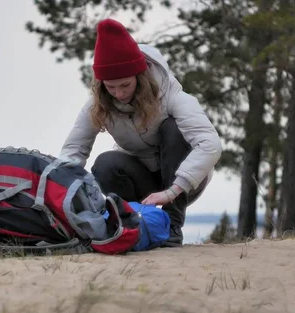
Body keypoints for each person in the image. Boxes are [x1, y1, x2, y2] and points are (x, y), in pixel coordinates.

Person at [58, 18, 222, 247]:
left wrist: (172, 191)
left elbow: (210, 144)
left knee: (174, 129)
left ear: (139, 77)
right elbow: (74, 150)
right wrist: (59, 191)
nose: (119, 93)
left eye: (125, 85)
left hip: (181, 182)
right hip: (140, 178)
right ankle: (133, 225)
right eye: (111, 86)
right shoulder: (98, 102)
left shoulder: (171, 94)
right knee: (105, 163)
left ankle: (171, 227)